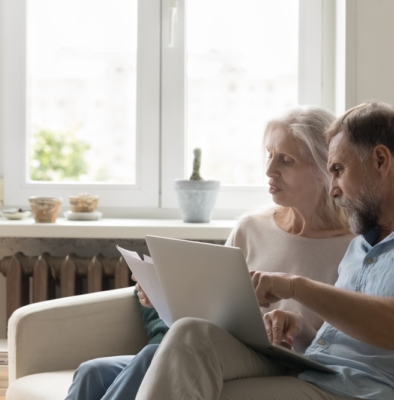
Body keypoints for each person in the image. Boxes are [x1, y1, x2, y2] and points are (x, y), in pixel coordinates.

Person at [133, 101, 394, 400]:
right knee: (192, 335)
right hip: (316, 376)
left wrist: (296, 286)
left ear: (381, 161)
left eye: (337, 170)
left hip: (368, 393)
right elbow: (336, 341)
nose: (333, 188)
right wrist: (301, 329)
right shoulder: (362, 246)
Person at [65, 105, 354, 400]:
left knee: (152, 355)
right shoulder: (252, 226)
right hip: (224, 345)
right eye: (269, 155)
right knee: (92, 371)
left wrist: (295, 328)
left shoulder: (352, 247)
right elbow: (216, 305)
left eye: (286, 160)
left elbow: (347, 346)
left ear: (324, 168)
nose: (269, 170)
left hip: (281, 360)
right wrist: (164, 295)